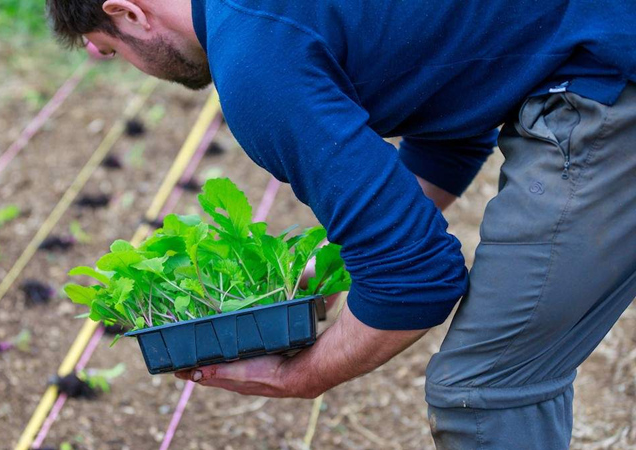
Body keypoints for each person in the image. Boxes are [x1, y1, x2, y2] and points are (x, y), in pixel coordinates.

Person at [44, 1, 636, 448]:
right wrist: (332, 262)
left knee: (483, 392)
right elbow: (457, 107)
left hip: (609, 79)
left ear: (129, 14)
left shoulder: (252, 56)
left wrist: (299, 376)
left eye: (111, 49)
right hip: (602, 44)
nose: (115, 60)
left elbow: (418, 279)